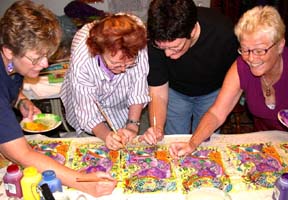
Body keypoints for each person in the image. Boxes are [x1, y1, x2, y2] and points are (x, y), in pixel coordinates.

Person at [0, 0, 116, 197]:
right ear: (8, 51)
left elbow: (10, 83)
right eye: (37, 58)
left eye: (47, 55)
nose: (44, 63)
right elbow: (23, 155)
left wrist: (21, 101)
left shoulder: (15, 61)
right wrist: (82, 182)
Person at [169, 5, 288, 158]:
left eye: (259, 51)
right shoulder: (241, 67)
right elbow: (217, 113)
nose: (251, 59)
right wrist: (192, 143)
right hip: (267, 145)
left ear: (280, 46)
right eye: (245, 50)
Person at [139, 0, 238, 144]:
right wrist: (157, 127)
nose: (167, 54)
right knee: (173, 140)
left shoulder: (224, 32)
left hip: (212, 92)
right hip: (175, 91)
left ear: (191, 31)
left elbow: (235, 78)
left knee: (205, 143)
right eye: (162, 48)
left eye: (175, 47)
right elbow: (158, 91)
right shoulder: (155, 38)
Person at [60, 13, 150, 150]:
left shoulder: (136, 40)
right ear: (99, 52)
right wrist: (107, 135)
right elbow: (88, 113)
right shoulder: (83, 60)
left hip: (120, 101)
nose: (124, 70)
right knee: (95, 152)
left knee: (125, 142)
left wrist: (132, 126)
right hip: (87, 104)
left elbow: (138, 86)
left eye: (129, 64)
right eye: (116, 64)